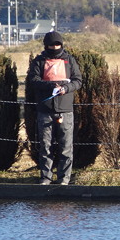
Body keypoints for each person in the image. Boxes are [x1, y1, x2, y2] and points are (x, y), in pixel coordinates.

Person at [28, 31, 82, 185]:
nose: (55, 47)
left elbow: (78, 80)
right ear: (46, 45)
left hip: (65, 110)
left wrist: (66, 88)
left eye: (57, 44)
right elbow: (34, 80)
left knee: (66, 147)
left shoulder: (69, 60)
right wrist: (50, 85)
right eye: (52, 45)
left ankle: (64, 179)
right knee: (45, 147)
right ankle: (46, 178)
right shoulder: (38, 61)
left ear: (62, 45)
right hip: (45, 110)